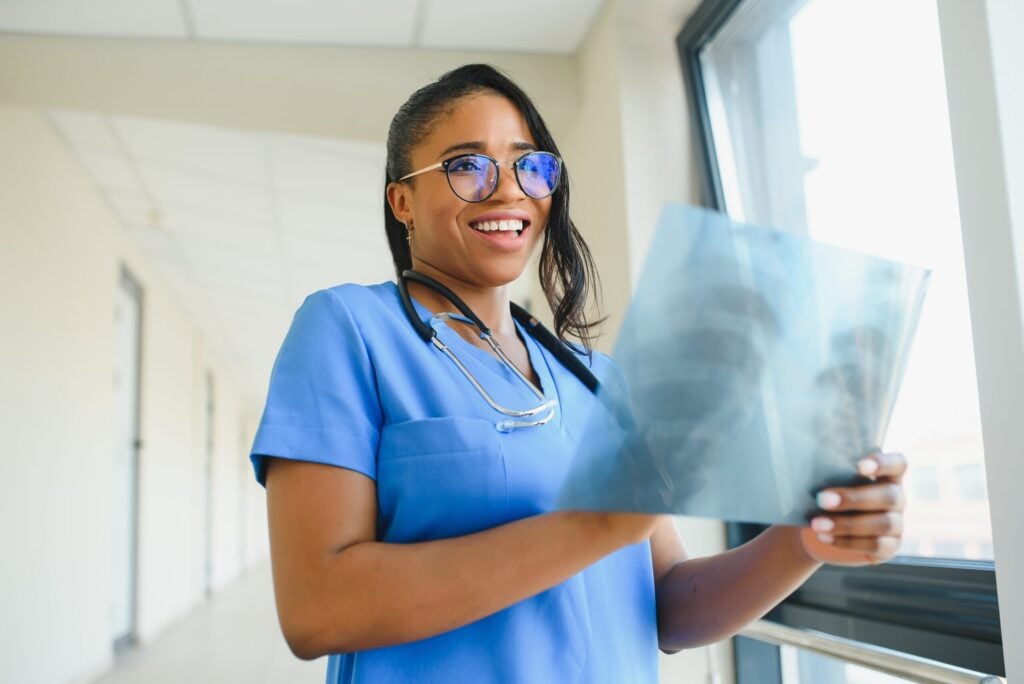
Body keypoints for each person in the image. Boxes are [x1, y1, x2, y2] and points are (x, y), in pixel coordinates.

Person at [249, 64, 907, 683]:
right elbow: (318, 609)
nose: (507, 188)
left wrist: (804, 540)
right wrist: (594, 527)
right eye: (468, 165)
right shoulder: (349, 329)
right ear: (403, 201)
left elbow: (669, 607)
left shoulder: (598, 381)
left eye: (529, 165)